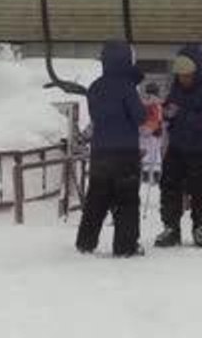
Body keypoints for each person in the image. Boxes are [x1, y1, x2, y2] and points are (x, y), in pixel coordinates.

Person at [75, 41, 146, 257]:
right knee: (126, 200)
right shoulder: (127, 87)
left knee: (97, 198)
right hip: (125, 152)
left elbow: (99, 117)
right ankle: (125, 247)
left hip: (100, 151)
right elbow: (139, 116)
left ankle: (85, 242)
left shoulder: (94, 88)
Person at [154, 45, 202, 248]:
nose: (184, 79)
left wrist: (180, 113)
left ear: (197, 71)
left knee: (199, 188)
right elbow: (171, 110)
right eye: (181, 75)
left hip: (200, 148)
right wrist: (166, 112)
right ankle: (171, 228)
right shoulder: (176, 88)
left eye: (188, 75)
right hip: (177, 146)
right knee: (169, 186)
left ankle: (200, 226)